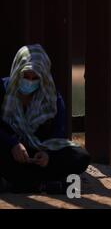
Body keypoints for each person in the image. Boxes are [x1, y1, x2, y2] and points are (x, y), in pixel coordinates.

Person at [0, 44, 90, 194]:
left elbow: (59, 133)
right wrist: (12, 144)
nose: (30, 81)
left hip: (38, 154)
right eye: (25, 76)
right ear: (17, 71)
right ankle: (41, 182)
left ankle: (24, 183)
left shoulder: (51, 97)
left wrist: (48, 156)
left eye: (35, 77)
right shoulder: (3, 89)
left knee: (80, 156)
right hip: (10, 152)